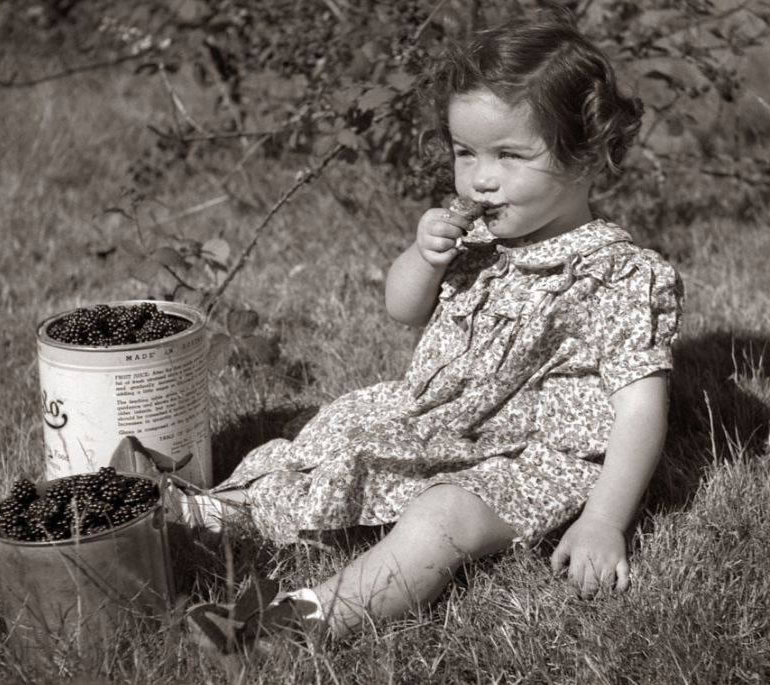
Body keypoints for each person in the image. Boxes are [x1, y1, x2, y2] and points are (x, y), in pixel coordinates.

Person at [180, 9, 684, 652]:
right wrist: (423, 258)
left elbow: (641, 407)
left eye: (508, 154)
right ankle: (215, 515)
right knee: (342, 436)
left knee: (440, 518)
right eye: (464, 152)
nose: (479, 177)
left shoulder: (619, 276)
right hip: (444, 418)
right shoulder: (475, 240)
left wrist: (605, 519)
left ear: (589, 155)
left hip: (536, 461)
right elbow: (403, 310)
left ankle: (298, 621)